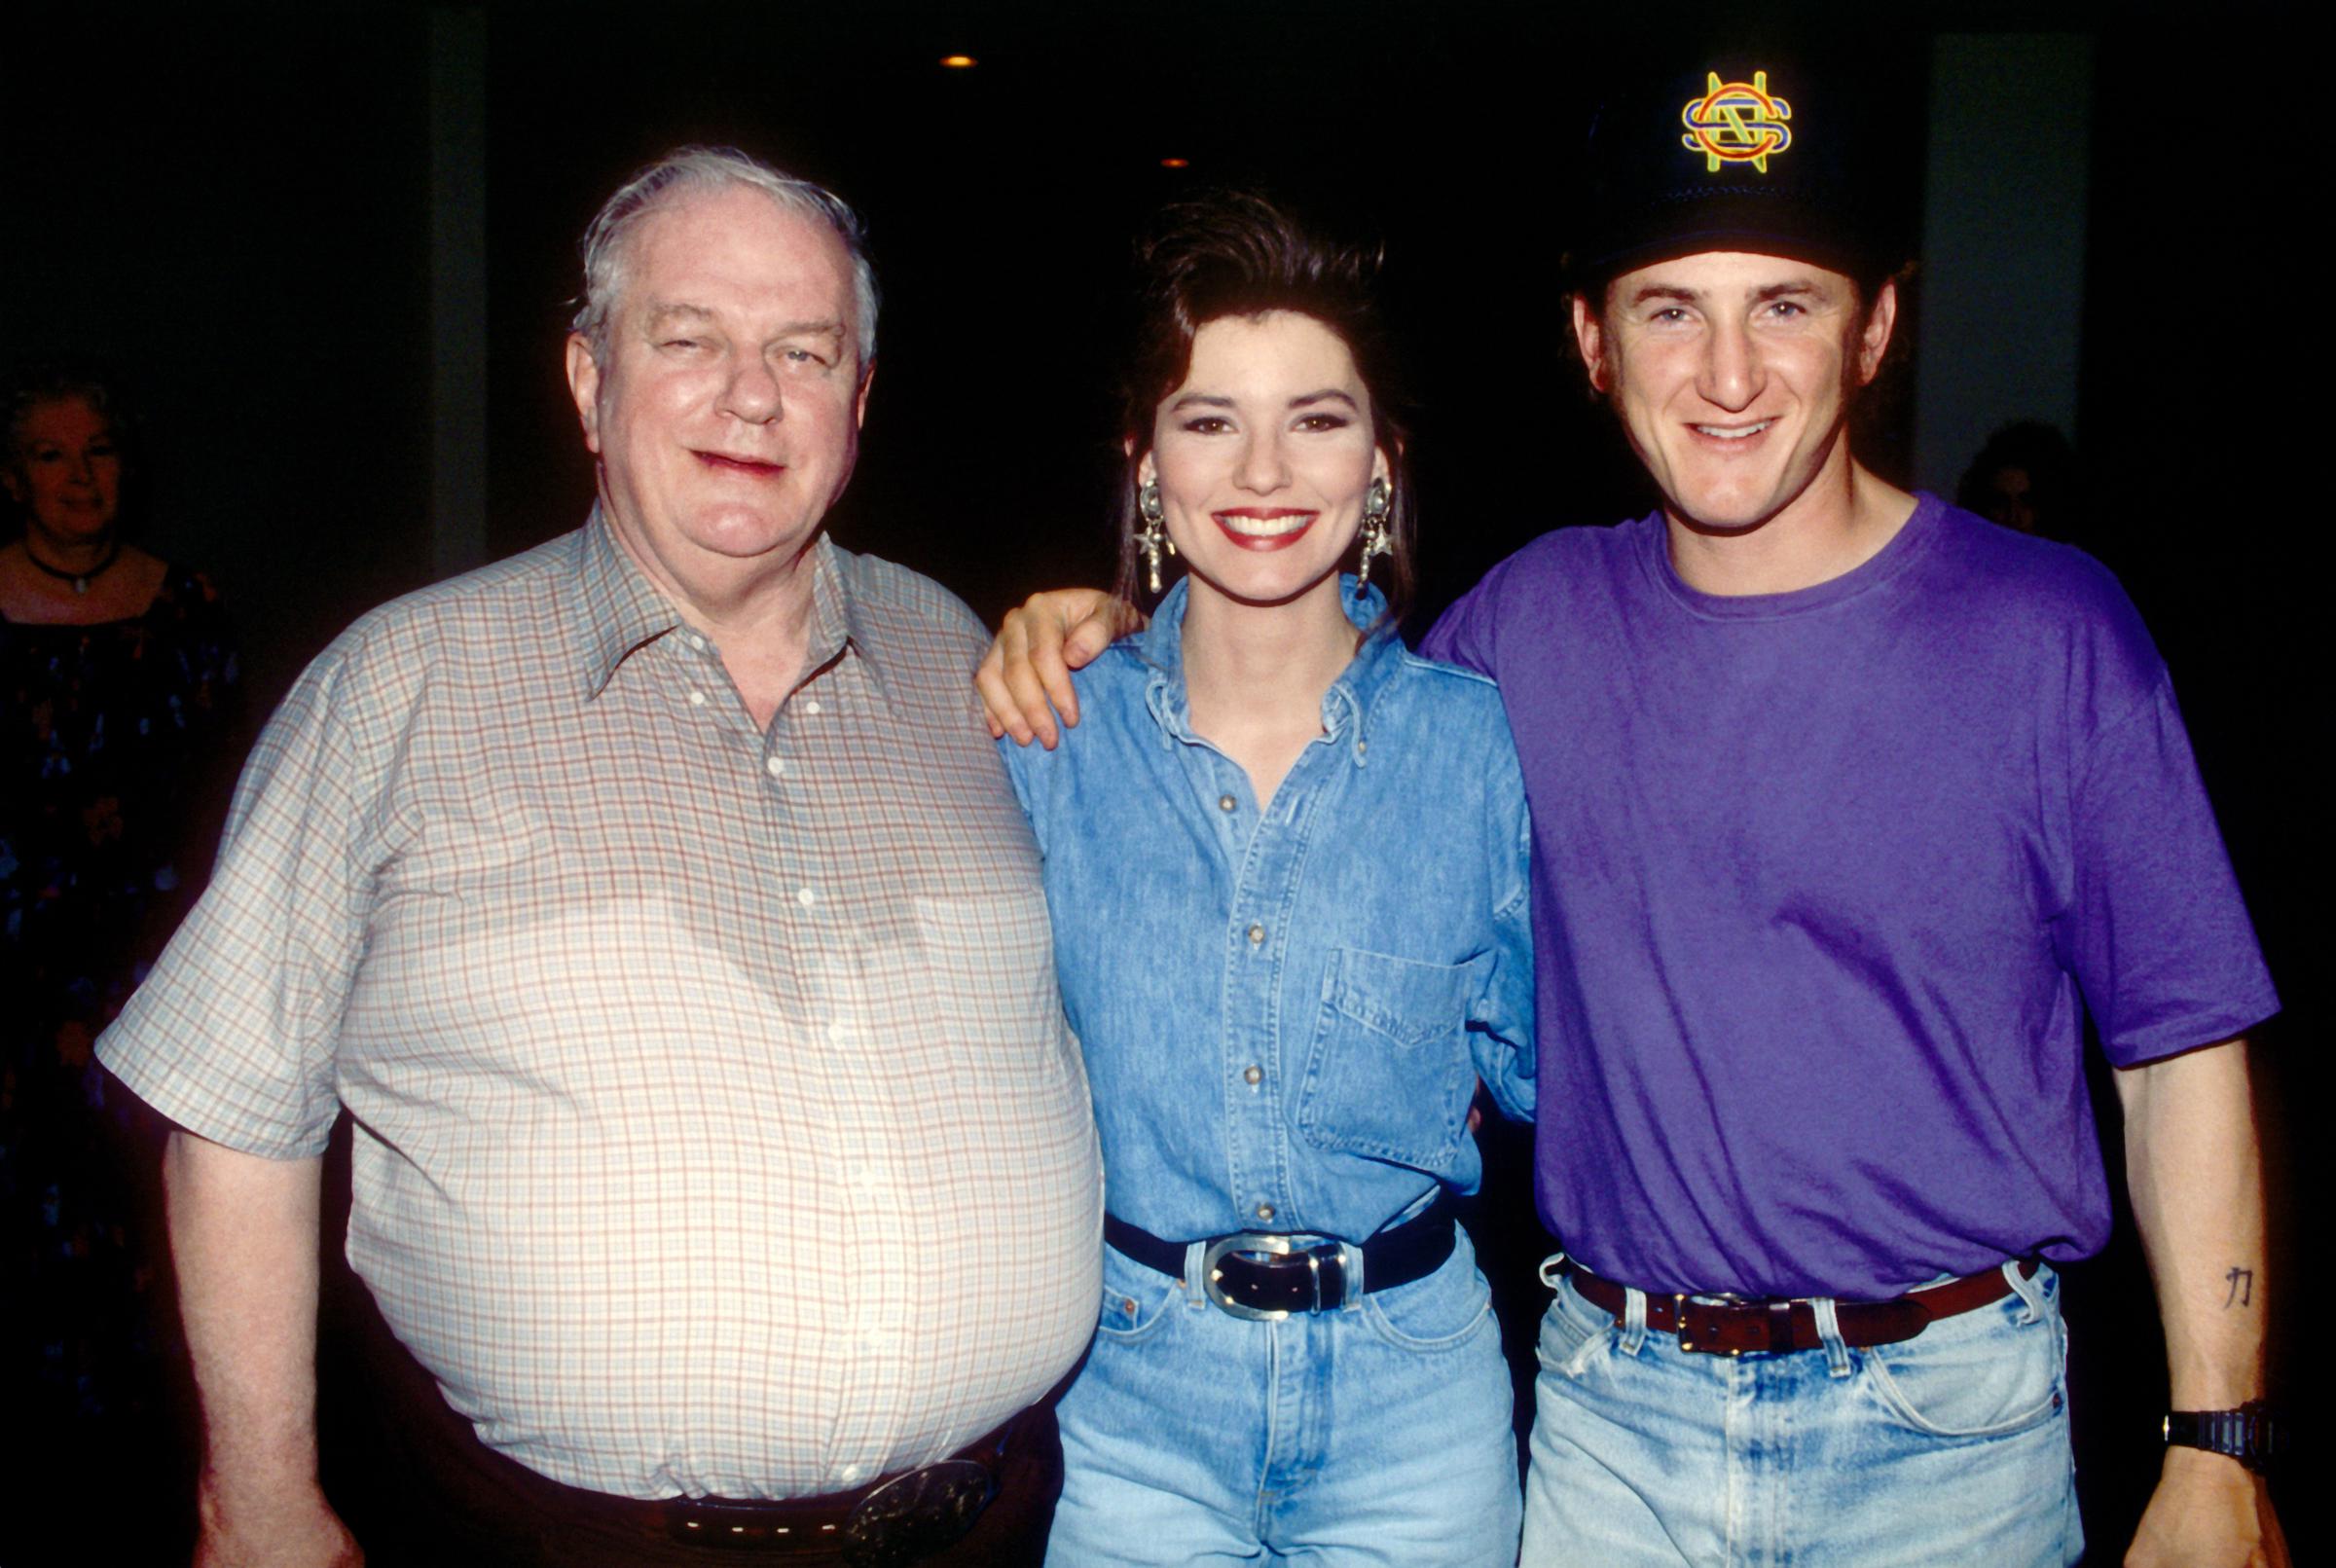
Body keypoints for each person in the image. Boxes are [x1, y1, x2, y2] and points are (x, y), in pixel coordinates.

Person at [978, 57, 2284, 1568]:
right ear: (1593, 343)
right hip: (1613, 1429)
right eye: (1671, 307)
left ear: (1877, 327)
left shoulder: (2053, 632)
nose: (1728, 373)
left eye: (1787, 302)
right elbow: (1312, 699)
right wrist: (1087, 621)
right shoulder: (1519, 636)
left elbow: (2182, 1050)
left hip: (1954, 1441)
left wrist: (2213, 1441)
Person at [97, 146, 1104, 1568]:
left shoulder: (969, 661)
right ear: (588, 379)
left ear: (859, 401)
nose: (750, 393)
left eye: (803, 351)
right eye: (687, 338)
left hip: (1001, 1525)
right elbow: (235, 1107)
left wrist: (1140, 642)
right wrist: (254, 1500)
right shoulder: (402, 686)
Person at [1000, 193, 1534, 1565]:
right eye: (1208, 417)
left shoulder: (1481, 746)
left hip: (1416, 1412)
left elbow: (1564, 1073)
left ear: (1381, 463)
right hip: (1128, 1410)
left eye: (1317, 416)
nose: (1263, 468)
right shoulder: (1047, 738)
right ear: (1144, 462)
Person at [1, 366, 241, 1565]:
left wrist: (131, 996)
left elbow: (218, 828)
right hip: (3, 1008)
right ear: (10, 477)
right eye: (51, 455)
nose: (80, 476)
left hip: (153, 1003)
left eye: (98, 449)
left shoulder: (190, 609)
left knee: (158, 1296)